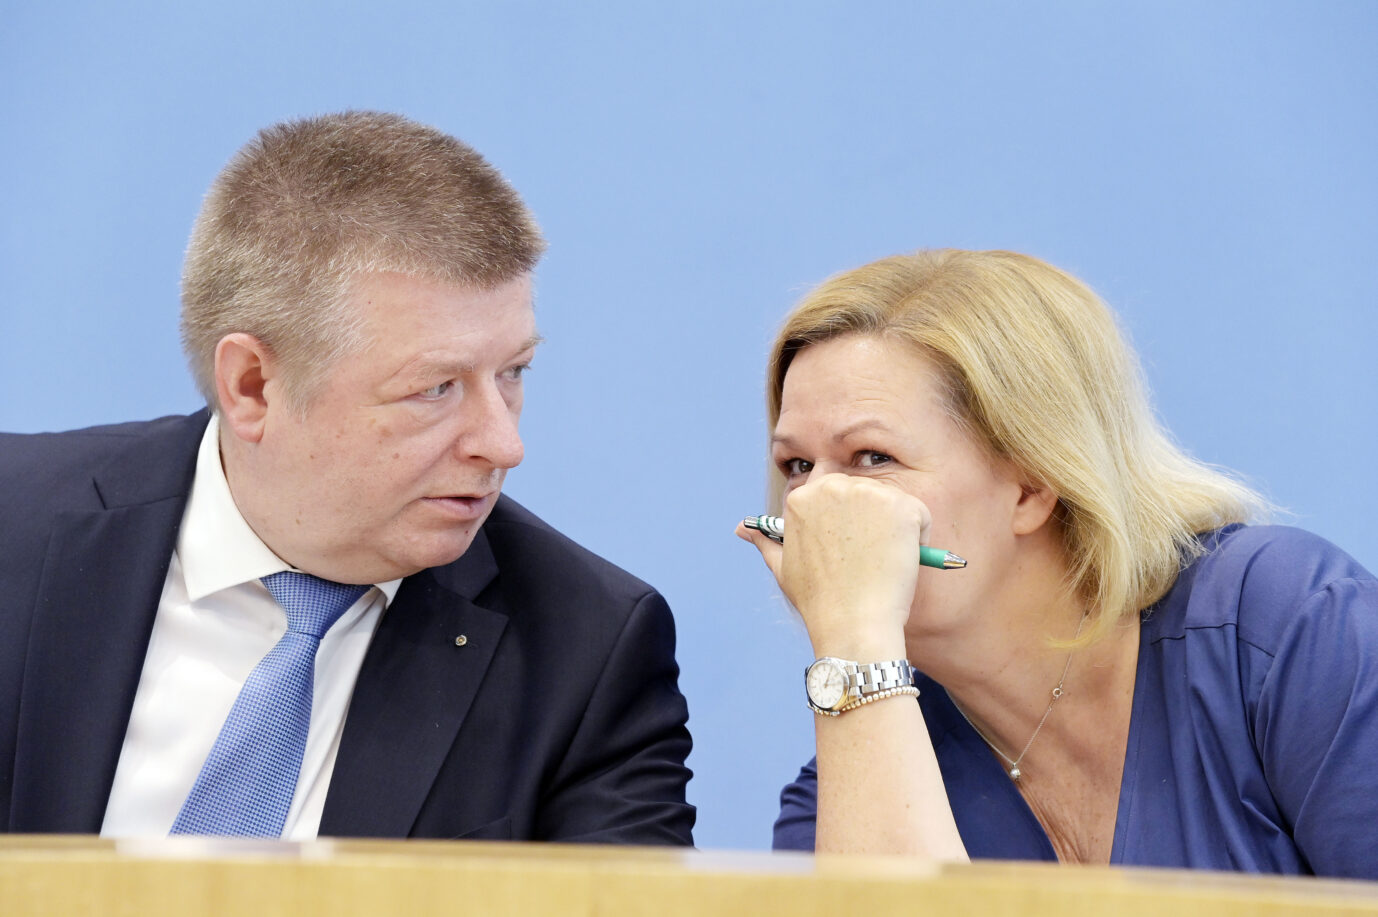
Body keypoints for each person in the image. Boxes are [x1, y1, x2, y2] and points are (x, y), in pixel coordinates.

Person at [0, 111, 694, 844]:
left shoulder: (584, 653)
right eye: (435, 389)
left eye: (514, 372)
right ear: (253, 386)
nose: (504, 443)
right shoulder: (16, 528)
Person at [737, 249, 1377, 878]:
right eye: (797, 466)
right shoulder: (857, 769)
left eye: (872, 457)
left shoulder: (1290, 626)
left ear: (1033, 483)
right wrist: (852, 642)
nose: (815, 508)